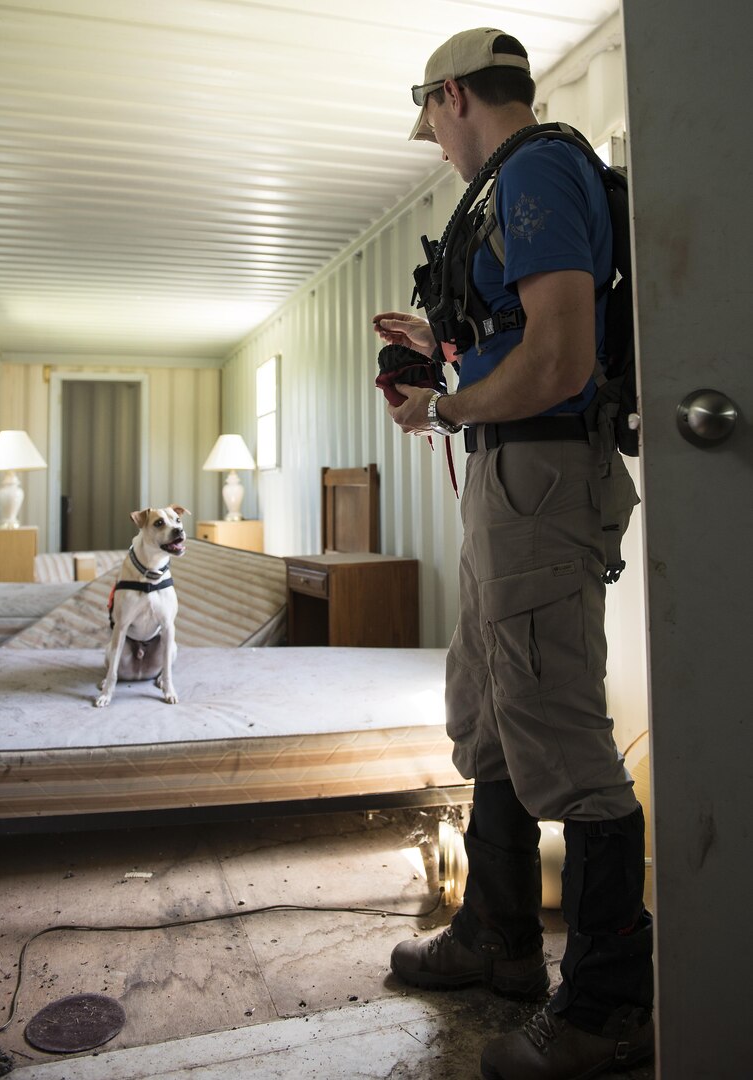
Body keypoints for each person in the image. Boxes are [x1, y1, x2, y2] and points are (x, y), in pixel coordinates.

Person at [373, 28, 653, 1080]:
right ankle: (498, 941)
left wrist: (443, 403)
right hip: (507, 474)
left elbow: (560, 356)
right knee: (488, 707)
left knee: (559, 729)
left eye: (434, 124)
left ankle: (610, 1006)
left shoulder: (532, 170)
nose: (438, 147)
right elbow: (518, 337)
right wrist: (443, 347)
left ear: (453, 96)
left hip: (538, 474)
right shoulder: (504, 195)